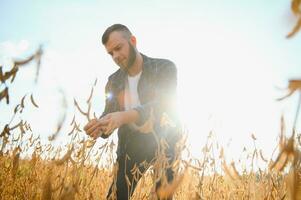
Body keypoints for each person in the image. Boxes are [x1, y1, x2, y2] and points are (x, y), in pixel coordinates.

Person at [84, 24, 181, 200]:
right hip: (130, 147)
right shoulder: (113, 81)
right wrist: (100, 126)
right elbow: (110, 114)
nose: (115, 56)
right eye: (110, 53)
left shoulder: (165, 67)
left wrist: (126, 116)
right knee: (115, 197)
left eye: (118, 48)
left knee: (162, 197)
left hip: (164, 142)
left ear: (133, 41)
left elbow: (163, 105)